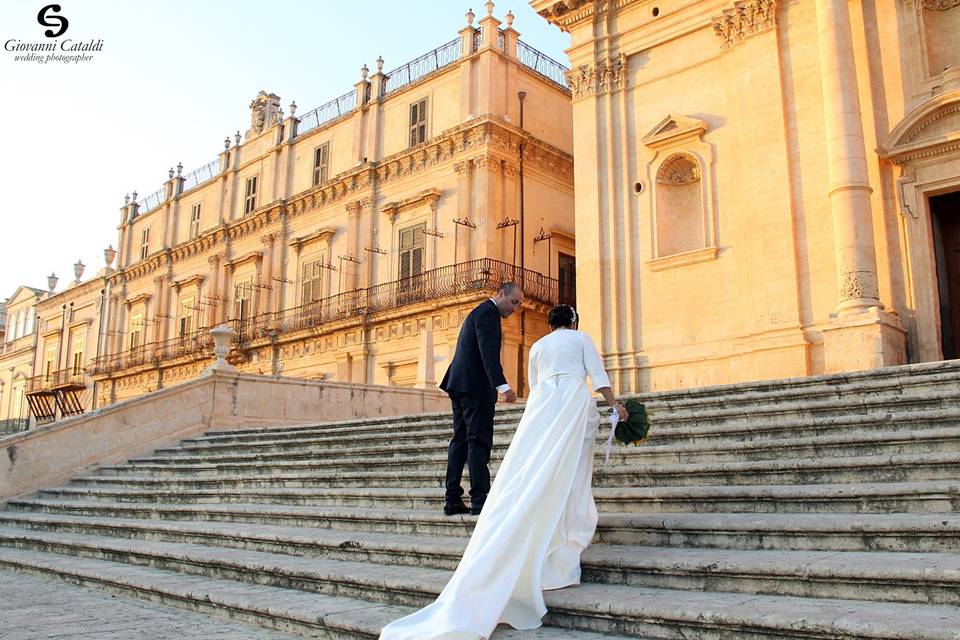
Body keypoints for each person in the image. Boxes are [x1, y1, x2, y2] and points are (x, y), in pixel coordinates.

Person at [379, 304, 628, 640]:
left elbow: (536, 383)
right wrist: (616, 405)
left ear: (552, 324)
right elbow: (597, 377)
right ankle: (561, 535)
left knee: (538, 471)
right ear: (573, 322)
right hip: (570, 404)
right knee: (569, 473)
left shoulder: (539, 346)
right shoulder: (581, 339)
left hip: (542, 408)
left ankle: (545, 528)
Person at [439, 282, 524, 516]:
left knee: (461, 440)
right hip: (475, 387)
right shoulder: (488, 314)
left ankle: (452, 498)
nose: (515, 308)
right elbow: (488, 351)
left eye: (518, 305)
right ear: (500, 294)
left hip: (460, 383)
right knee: (478, 440)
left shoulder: (478, 311)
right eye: (513, 302)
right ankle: (480, 499)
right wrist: (503, 385)